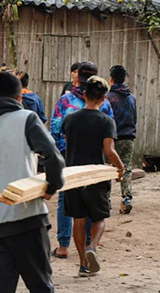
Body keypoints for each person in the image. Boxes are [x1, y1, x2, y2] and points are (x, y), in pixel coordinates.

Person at [0, 71, 65, 293]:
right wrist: (51, 187)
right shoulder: (27, 119)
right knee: (41, 286)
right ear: (20, 97)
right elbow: (53, 158)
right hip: (26, 219)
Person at [50, 61, 114, 259]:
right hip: (95, 161)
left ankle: (63, 245)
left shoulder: (65, 101)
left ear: (77, 78)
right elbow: (109, 139)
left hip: (69, 158)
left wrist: (65, 150)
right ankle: (89, 243)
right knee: (94, 206)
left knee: (67, 203)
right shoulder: (105, 105)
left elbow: (55, 128)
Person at [62, 76, 124, 277]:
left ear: (85, 94)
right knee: (99, 218)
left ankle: (83, 265)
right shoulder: (107, 121)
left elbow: (67, 142)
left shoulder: (70, 119)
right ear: (104, 98)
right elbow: (109, 151)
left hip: (73, 176)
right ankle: (93, 247)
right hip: (95, 176)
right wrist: (120, 167)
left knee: (78, 220)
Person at [106, 65, 137, 214]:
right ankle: (127, 198)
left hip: (111, 138)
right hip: (128, 137)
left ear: (111, 80)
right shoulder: (132, 98)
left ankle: (106, 200)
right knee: (127, 168)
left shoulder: (108, 98)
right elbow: (135, 118)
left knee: (107, 168)